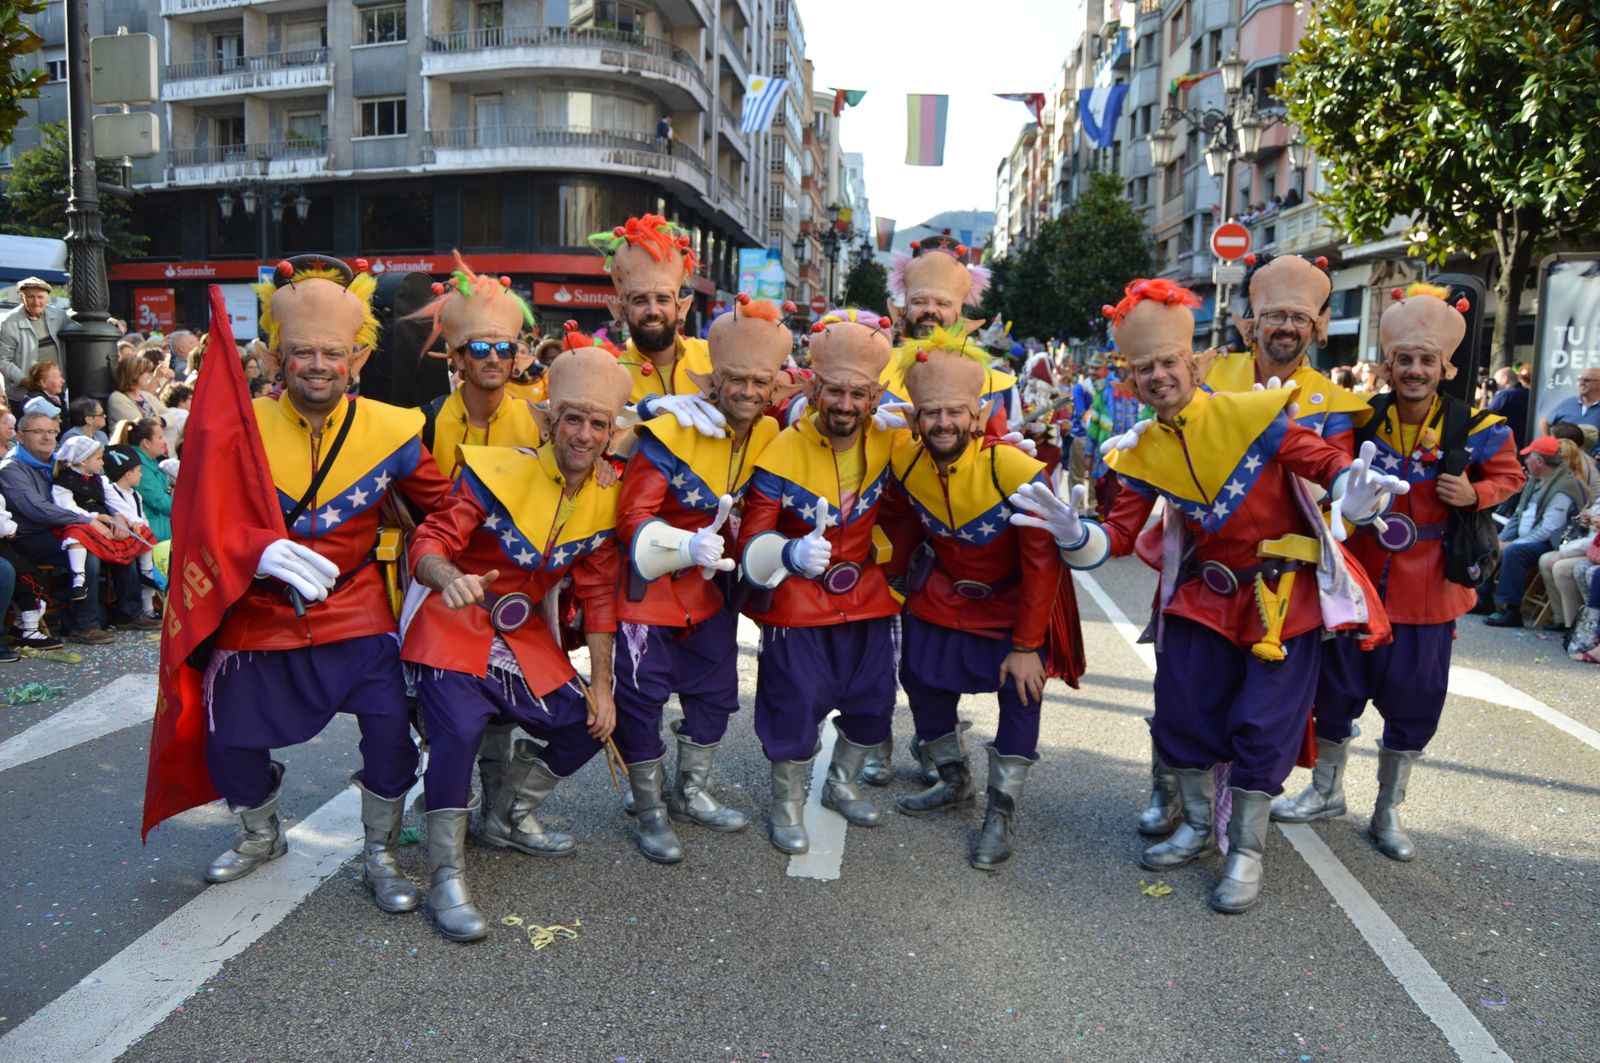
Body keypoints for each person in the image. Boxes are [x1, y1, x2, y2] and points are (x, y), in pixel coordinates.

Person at [1013, 278, 1406, 913]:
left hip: (1283, 601)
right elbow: (1116, 533)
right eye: (1145, 368)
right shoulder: (1140, 449)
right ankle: (1196, 826)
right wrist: (1073, 531)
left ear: (1195, 363)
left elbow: (1323, 461)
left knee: (1262, 723)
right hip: (1204, 597)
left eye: (1169, 362)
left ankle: (1246, 852)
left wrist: (1354, 494)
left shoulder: (1253, 414)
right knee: (1182, 713)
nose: (1159, 376)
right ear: (1131, 378)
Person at [196, 254, 460, 918]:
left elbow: (447, 507)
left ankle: (379, 850)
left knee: (391, 733)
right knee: (226, 736)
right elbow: (200, 517)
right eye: (303, 351)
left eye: (333, 352)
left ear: (358, 359)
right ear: (276, 355)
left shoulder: (393, 431)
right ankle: (261, 832)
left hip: (357, 607)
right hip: (259, 609)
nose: (318, 364)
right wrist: (255, 551)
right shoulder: (241, 426)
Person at [1123, 253, 1375, 840]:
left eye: (1298, 318)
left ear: (1317, 326)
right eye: (1273, 315)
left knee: (1264, 710)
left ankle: (1242, 831)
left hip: (1284, 573)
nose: (1285, 327)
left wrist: (1349, 503)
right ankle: (1172, 793)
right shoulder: (1209, 375)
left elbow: (1330, 474)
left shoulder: (1331, 402)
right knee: (1183, 686)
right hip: (1198, 562)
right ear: (1248, 323)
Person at [1271, 284, 1524, 862]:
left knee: (1416, 701)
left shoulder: (1477, 425)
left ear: (1446, 366)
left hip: (1430, 591)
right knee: (1334, 693)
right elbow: (1319, 468)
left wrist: (1476, 491)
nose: (1414, 370)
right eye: (1404, 359)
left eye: (1425, 360)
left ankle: (1387, 811)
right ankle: (1326, 791)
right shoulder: (1361, 419)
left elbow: (1511, 477)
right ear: (1388, 364)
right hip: (1357, 584)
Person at [401, 343, 631, 941]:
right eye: (572, 418)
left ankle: (505, 815)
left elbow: (602, 596)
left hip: (522, 638)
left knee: (593, 723)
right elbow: (428, 541)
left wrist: (602, 684)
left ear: (611, 433)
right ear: (550, 420)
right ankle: (446, 876)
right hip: (453, 627)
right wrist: (449, 579)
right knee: (458, 734)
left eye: (597, 423)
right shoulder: (494, 470)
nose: (583, 434)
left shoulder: (610, 494)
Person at [888, 342, 1094, 869]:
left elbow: (1043, 565)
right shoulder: (905, 457)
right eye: (931, 412)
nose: (943, 422)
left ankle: (1001, 813)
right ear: (914, 417)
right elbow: (904, 524)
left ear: (977, 415)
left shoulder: (1015, 468)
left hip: (1011, 603)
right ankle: (953, 781)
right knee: (919, 675)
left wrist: (1028, 646)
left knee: (1021, 691)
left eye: (955, 411)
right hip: (943, 592)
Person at [612, 295, 796, 862]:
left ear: (774, 388)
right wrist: (682, 544)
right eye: (734, 378)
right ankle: (649, 809)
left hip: (710, 590)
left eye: (758, 381)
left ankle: (691, 790)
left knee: (715, 695)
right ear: (714, 379)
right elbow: (632, 517)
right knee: (641, 700)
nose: (746, 390)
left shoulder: (771, 434)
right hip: (650, 586)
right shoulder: (671, 431)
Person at [736, 308, 906, 855]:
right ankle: (786, 803)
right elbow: (751, 541)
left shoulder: (889, 439)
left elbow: (954, 428)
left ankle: (841, 783)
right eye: (835, 391)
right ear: (813, 385)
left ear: (875, 396)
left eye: (858, 394)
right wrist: (788, 551)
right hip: (797, 600)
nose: (845, 405)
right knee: (794, 701)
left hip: (867, 597)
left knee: (875, 701)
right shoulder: (779, 450)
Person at [0, 410, 145, 644]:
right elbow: (36, 509)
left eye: (51, 431)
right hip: (32, 536)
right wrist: (89, 521)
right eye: (38, 431)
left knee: (121, 540)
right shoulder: (11, 468)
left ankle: (130, 613)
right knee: (87, 552)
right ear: (20, 435)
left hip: (71, 528)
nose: (47, 437)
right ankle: (84, 626)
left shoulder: (64, 463)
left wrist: (115, 515)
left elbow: (98, 491)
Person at [409, 253, 544, 481]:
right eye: (480, 349)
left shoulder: (539, 424)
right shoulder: (422, 424)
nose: (493, 358)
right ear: (459, 358)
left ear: (513, 359)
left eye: (503, 349)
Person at [49, 435, 163, 622]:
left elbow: (110, 503)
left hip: (103, 525)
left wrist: (121, 519)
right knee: (79, 541)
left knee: (130, 541)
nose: (102, 463)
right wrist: (94, 518)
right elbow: (67, 508)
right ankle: (80, 583)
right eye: (98, 458)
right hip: (80, 525)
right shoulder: (64, 482)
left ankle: (133, 608)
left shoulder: (98, 480)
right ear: (83, 460)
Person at [1484, 435, 1589, 627]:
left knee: (1514, 552)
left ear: (1539, 461)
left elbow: (1549, 529)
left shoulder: (1562, 488)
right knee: (1490, 543)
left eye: (1528, 457)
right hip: (1528, 537)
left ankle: (1510, 609)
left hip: (1551, 542)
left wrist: (1511, 544)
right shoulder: (1535, 481)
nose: (1525, 461)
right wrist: (1502, 539)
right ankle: (1483, 599)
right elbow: (1518, 516)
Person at [0, 278, 67, 411]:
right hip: (24, 394)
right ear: (22, 298)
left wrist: (107, 320)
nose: (36, 302)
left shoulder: (58, 315)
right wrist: (24, 380)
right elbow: (3, 360)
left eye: (40, 297)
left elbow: (79, 325)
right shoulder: (8, 323)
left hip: (54, 389)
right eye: (30, 297)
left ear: (47, 298)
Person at [120, 419, 174, 542]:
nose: (164, 442)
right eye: (160, 438)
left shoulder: (148, 460)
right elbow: (161, 501)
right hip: (154, 531)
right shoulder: (140, 466)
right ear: (146, 443)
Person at [1538, 367, 1600, 452]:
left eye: (1587, 380)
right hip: (1563, 460)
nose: (1582, 383)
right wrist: (1549, 444)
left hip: (1592, 462)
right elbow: (1544, 422)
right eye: (1580, 379)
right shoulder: (1569, 402)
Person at [107, 355, 168, 425]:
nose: (149, 376)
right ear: (134, 374)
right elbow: (140, 425)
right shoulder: (117, 398)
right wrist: (162, 420)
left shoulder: (145, 395)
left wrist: (159, 420)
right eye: (146, 372)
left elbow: (171, 417)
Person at [1487, 365, 1531, 452]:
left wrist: (1485, 396)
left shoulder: (1504, 394)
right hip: (1524, 441)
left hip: (1505, 442)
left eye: (1497, 381)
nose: (1496, 384)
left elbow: (1486, 416)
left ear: (1505, 379)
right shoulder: (1528, 393)